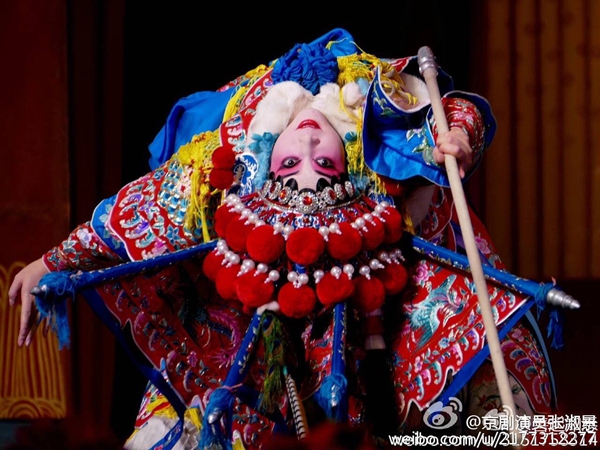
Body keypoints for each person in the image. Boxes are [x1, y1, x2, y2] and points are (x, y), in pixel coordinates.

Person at [8, 28, 557, 449]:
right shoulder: (383, 165)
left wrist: (49, 262)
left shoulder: (233, 162)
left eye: (297, 163)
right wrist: (457, 136)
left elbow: (133, 211)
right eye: (315, 164)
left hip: (331, 296)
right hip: (299, 295)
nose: (310, 147)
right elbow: (448, 110)